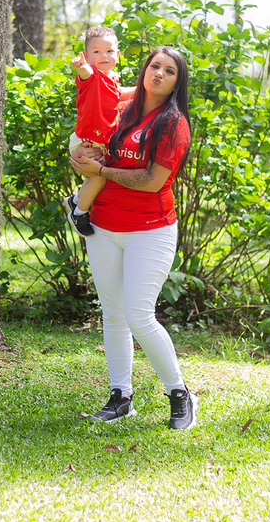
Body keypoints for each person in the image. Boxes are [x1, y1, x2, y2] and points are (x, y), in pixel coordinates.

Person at [69, 46, 198, 430]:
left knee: (140, 315)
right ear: (144, 70)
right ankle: (120, 396)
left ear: (178, 82)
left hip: (150, 229)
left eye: (169, 71)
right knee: (113, 314)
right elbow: (93, 116)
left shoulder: (173, 123)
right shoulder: (122, 106)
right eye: (154, 66)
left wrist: (102, 171)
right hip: (104, 226)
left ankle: (179, 393)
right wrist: (83, 158)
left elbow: (152, 181)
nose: (158, 73)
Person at [63, 25, 133, 237]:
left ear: (118, 54)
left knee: (100, 177)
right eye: (97, 51)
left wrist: (142, 90)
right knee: (99, 178)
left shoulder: (111, 77)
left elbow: (119, 94)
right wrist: (80, 66)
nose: (104, 56)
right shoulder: (92, 74)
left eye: (109, 51)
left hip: (99, 143)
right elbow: (85, 73)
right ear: (86, 55)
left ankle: (75, 200)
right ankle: (79, 213)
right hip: (87, 141)